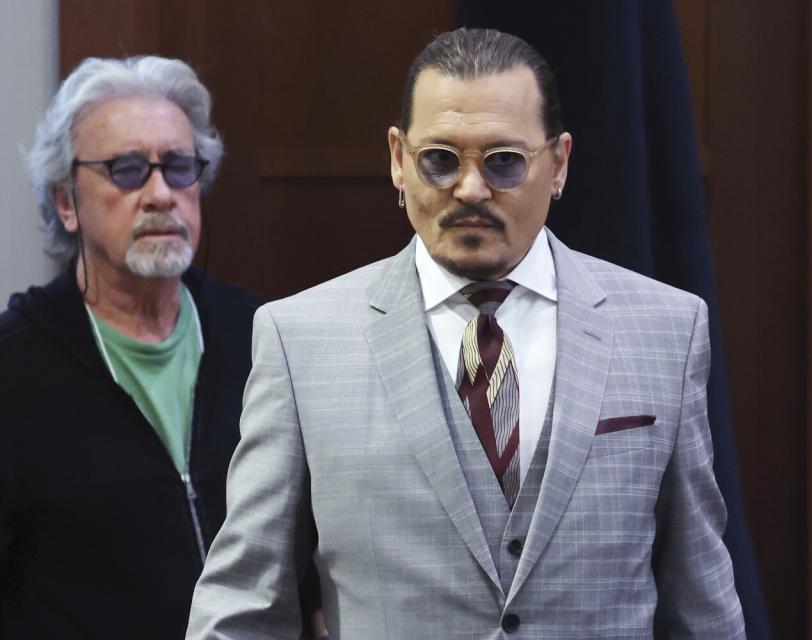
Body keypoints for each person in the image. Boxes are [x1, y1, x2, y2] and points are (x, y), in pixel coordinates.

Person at [188, 28, 745, 639]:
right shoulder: (301, 341)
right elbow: (244, 606)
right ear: (399, 159)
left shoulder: (665, 329)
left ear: (558, 164)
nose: (471, 189)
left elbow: (701, 603)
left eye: (503, 161)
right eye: (441, 160)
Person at [0, 56, 264, 639]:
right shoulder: (13, 367)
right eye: (125, 170)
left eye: (178, 167)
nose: (160, 194)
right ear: (66, 201)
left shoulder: (265, 338)